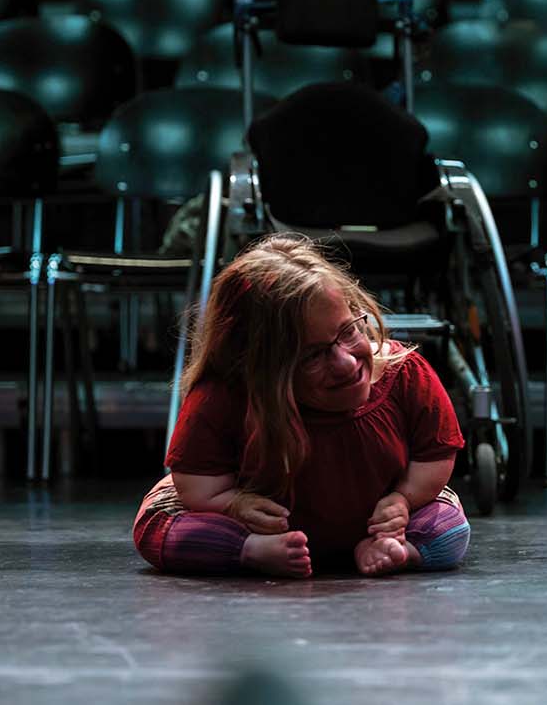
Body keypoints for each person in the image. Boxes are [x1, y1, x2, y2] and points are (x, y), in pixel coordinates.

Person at [132, 234, 471, 578]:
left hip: (378, 519)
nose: (345, 363)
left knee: (449, 528)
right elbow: (197, 485)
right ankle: (249, 551)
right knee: (159, 527)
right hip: (263, 529)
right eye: (312, 355)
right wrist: (235, 504)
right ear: (258, 367)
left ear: (357, 311)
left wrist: (403, 500)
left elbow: (435, 455)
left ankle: (399, 551)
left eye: (348, 332)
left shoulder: (403, 372)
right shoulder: (225, 395)